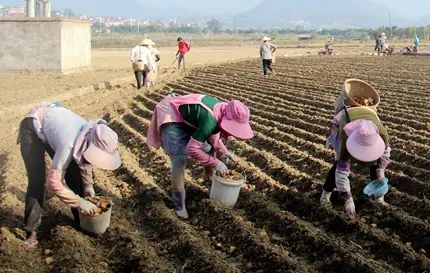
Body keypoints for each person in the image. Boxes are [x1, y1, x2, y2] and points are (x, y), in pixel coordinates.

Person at [18, 102, 122, 248]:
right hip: (32, 127)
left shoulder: (88, 133)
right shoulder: (68, 144)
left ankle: (82, 222)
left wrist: (88, 187)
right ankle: (31, 232)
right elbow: (53, 183)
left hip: (53, 127)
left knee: (74, 172)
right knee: (37, 180)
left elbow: (84, 159)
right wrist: (80, 202)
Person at [147, 93, 254, 218]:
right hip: (172, 117)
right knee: (179, 161)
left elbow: (213, 134)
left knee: (209, 148)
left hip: (190, 120)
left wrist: (223, 151)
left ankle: (209, 180)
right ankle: (179, 204)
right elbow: (192, 148)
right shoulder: (210, 120)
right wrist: (216, 163)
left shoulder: (222, 109)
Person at [320, 105, 391, 215]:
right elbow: (341, 171)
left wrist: (381, 172)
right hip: (344, 119)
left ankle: (379, 198)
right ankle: (325, 195)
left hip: (367, 114)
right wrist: (348, 198)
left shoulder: (382, 134)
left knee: (375, 164)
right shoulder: (345, 139)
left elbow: (385, 154)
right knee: (337, 166)